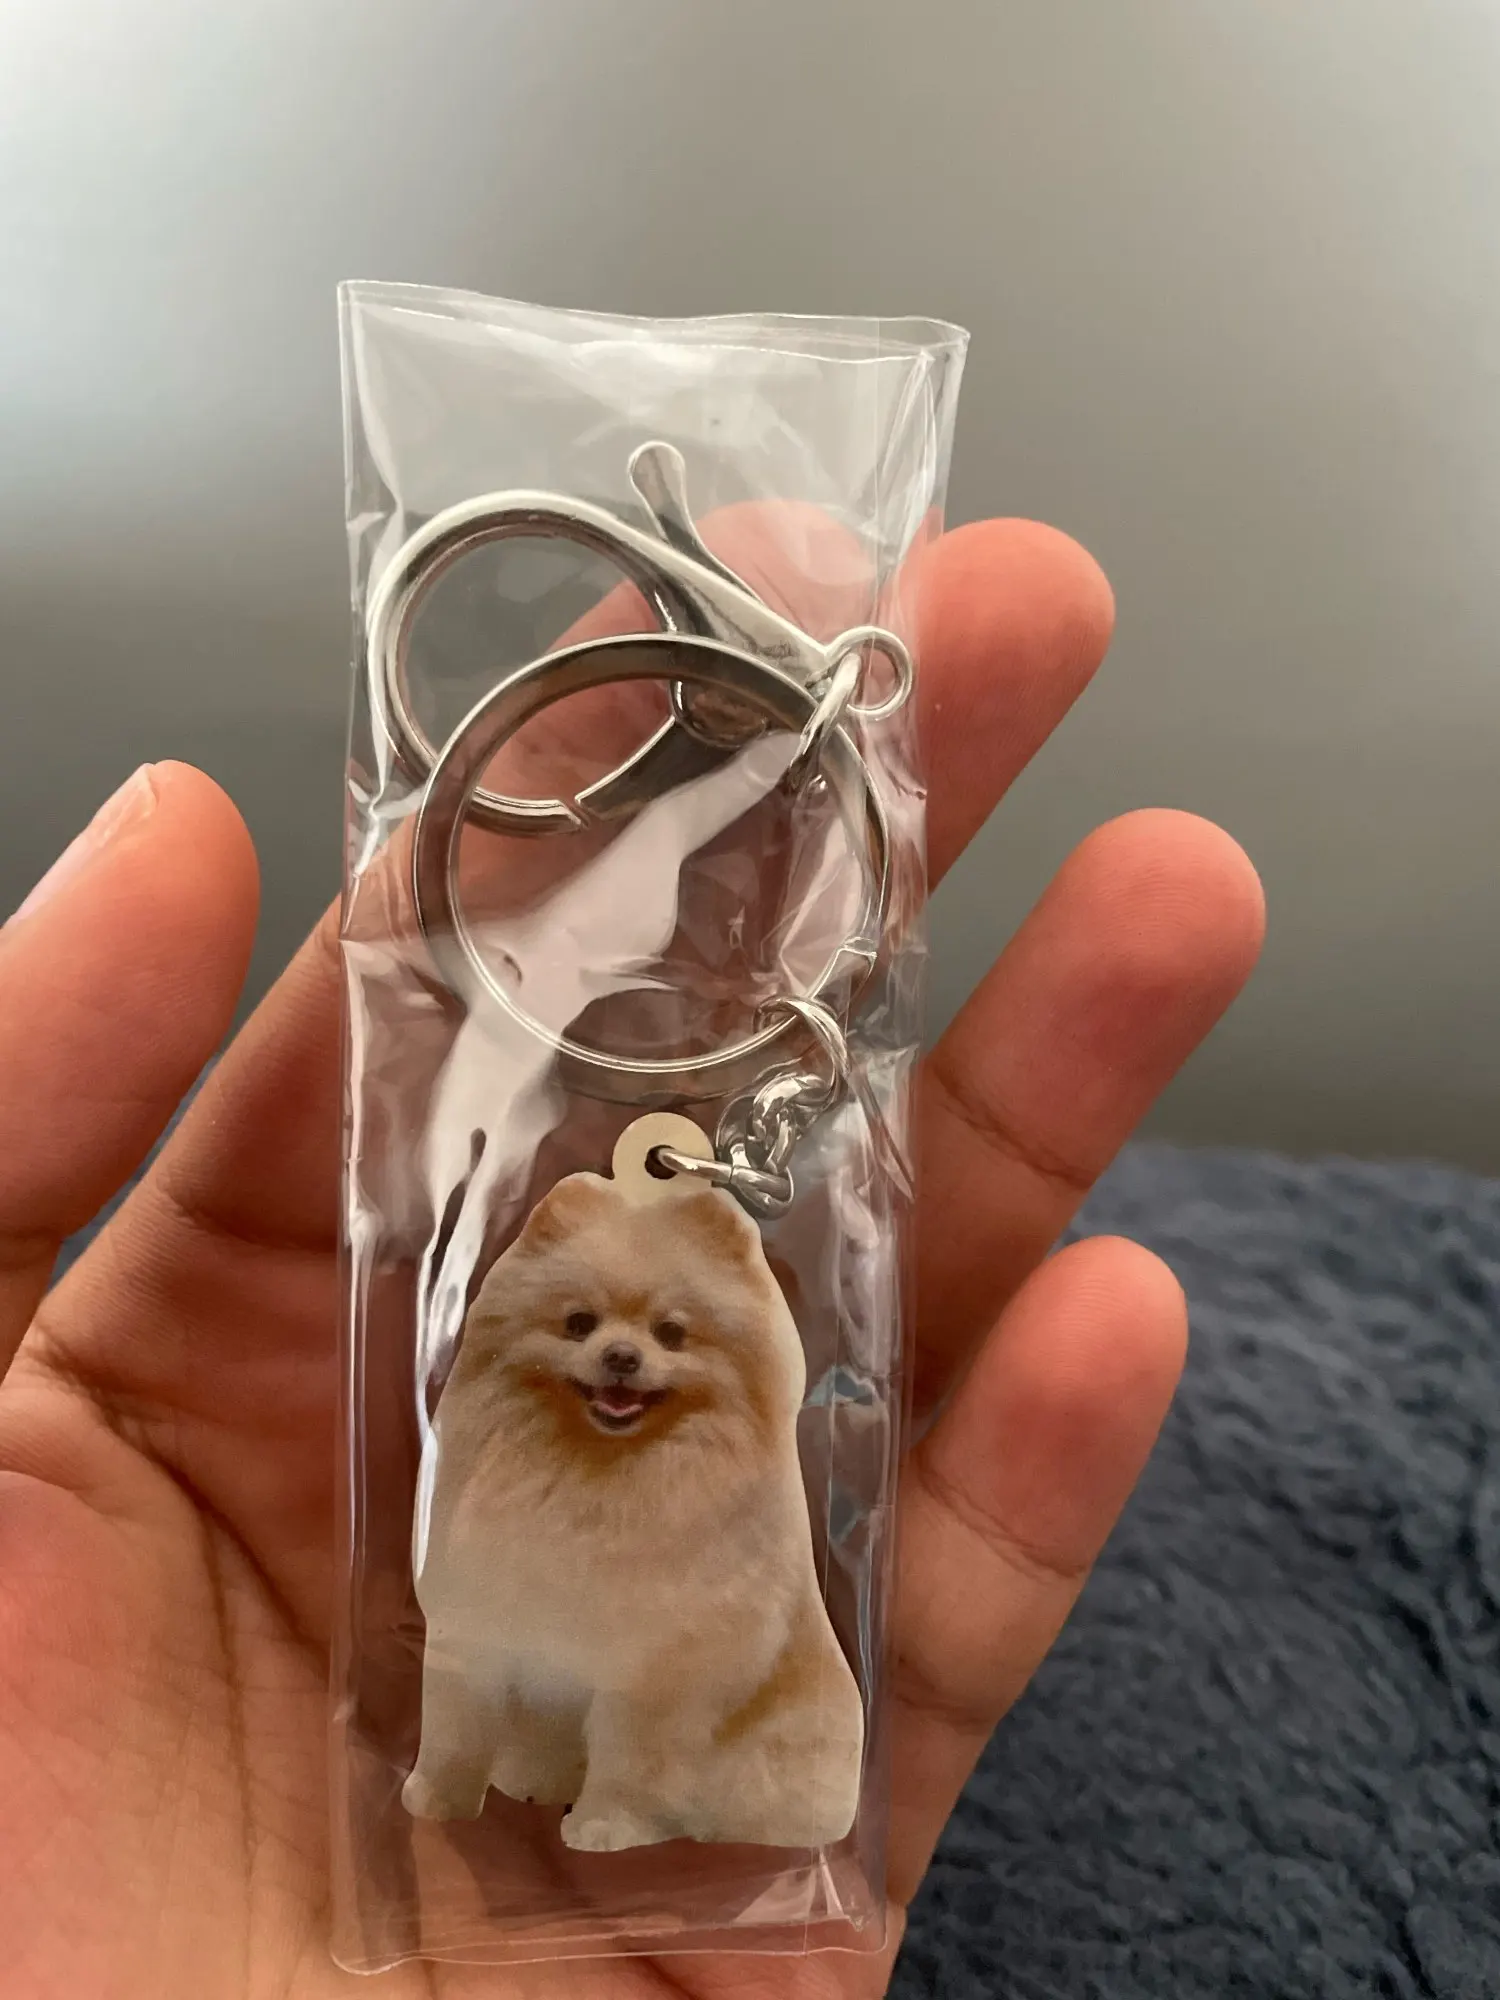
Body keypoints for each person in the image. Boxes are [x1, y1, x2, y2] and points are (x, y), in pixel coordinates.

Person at [0, 517, 1263, 1997]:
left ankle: (645, 1790)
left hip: (716, 1746)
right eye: (587, 1325)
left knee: (674, 1667)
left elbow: (684, 1657)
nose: (622, 1353)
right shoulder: (498, 1342)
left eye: (670, 1337)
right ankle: (499, 1772)